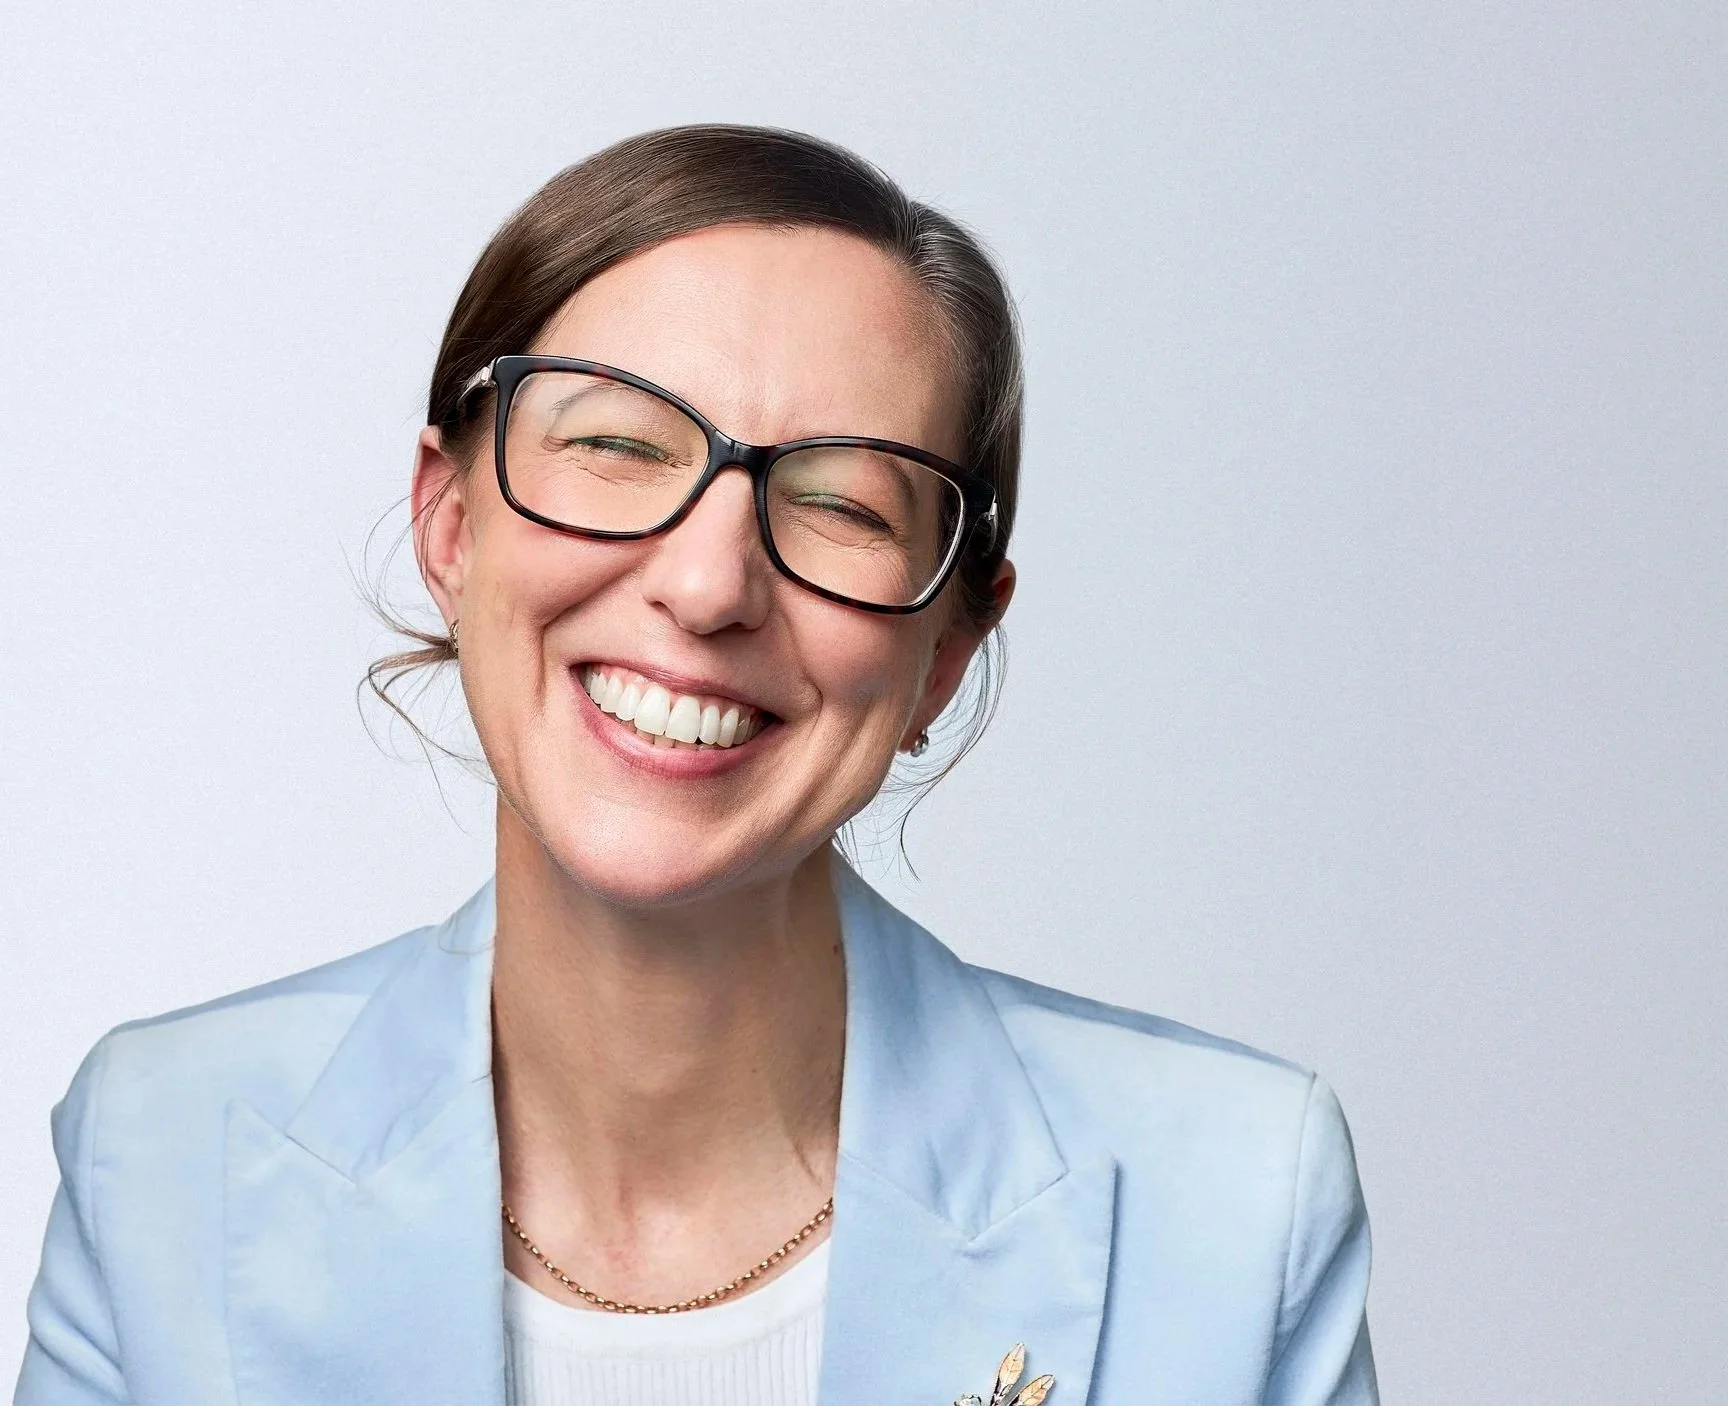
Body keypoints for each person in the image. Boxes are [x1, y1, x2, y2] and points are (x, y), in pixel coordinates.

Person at [15, 125, 1378, 1406]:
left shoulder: (1238, 1203)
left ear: (947, 649)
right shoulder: (159, 1158)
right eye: (616, 444)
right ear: (450, 526)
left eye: (842, 502)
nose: (711, 582)